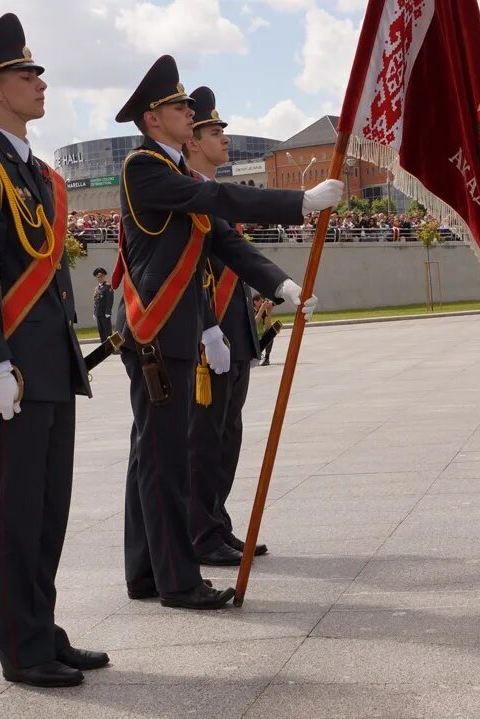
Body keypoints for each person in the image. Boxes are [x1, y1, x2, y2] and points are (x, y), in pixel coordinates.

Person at [111, 55, 339, 609]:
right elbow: (216, 199)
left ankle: (147, 572)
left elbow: (226, 243)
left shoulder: (176, 173)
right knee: (164, 459)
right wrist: (297, 202)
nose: (190, 112)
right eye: (179, 106)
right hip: (157, 329)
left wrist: (281, 286)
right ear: (152, 118)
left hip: (172, 331)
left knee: (152, 453)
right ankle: (178, 582)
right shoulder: (145, 168)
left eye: (189, 105)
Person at [0, 12, 107, 689]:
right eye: (24, 73)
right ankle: (21, 648)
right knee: (13, 513)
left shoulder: (33, 169)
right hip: (12, 369)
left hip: (50, 366)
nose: (39, 82)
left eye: (36, 72)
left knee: (47, 510)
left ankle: (43, 627)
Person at [182, 86, 270, 565]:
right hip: (205, 337)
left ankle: (217, 522)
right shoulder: (189, 194)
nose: (224, 138)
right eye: (214, 131)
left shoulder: (218, 198)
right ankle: (200, 533)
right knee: (203, 440)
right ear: (192, 141)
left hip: (233, 335)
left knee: (227, 435)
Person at [91, 267, 113, 344]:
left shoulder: (108, 287)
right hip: (98, 313)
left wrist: (108, 312)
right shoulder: (96, 288)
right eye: (98, 277)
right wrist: (94, 312)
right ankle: (104, 347)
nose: (99, 278)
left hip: (105, 313)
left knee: (108, 331)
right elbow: (96, 301)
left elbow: (109, 301)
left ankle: (111, 347)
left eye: (101, 276)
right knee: (101, 331)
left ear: (104, 276)